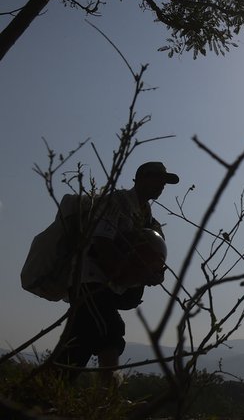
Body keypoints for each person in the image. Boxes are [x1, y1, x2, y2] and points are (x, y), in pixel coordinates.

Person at [53, 161, 179, 385]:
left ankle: (44, 393)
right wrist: (122, 273)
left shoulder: (149, 220)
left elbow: (153, 261)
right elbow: (101, 242)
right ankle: (108, 395)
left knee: (81, 341)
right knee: (110, 329)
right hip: (89, 279)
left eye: (164, 182)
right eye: (158, 179)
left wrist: (152, 275)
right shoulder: (116, 202)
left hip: (109, 286)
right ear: (141, 178)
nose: (162, 186)